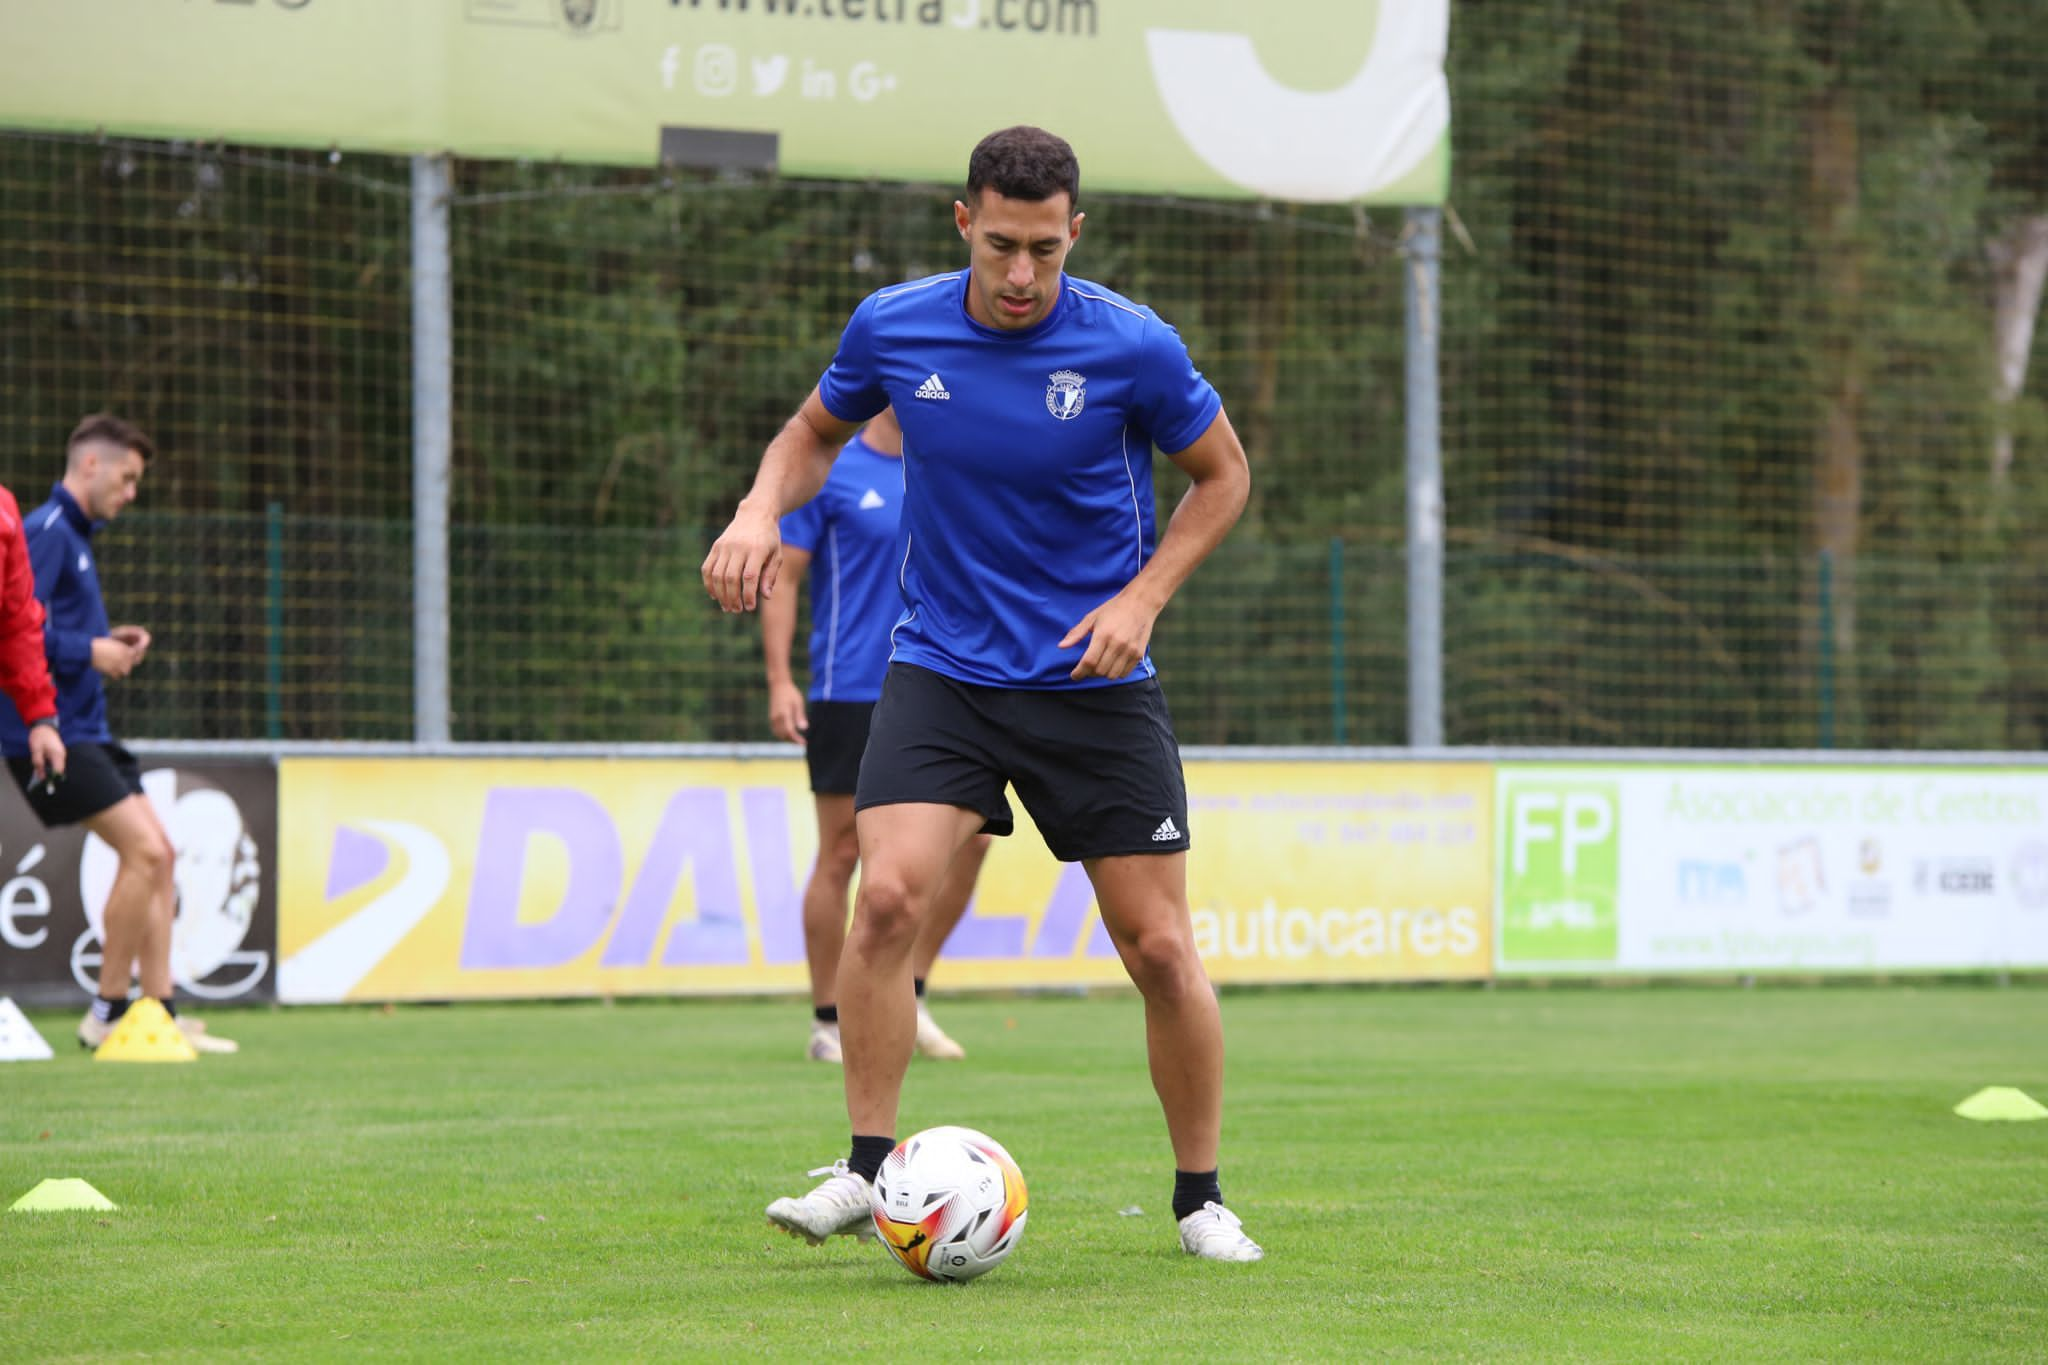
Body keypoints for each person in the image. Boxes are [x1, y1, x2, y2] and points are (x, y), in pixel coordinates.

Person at [704, 126, 1262, 1262]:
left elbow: (1223, 475)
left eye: (1045, 251)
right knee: (891, 898)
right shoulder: (893, 324)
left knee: (1156, 949)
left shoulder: (1131, 345)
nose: (1021, 275)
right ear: (963, 222)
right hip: (942, 668)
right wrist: (761, 508)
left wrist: (1144, 599)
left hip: (1092, 679)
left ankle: (1199, 1198)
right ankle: (864, 1173)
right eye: (1002, 245)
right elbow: (811, 433)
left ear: (1075, 235)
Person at [0, 414, 236, 1054]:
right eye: (128, 478)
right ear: (91, 465)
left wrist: (104, 643)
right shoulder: (44, 530)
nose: (132, 493)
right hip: (50, 734)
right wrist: (90, 651)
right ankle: (107, 1010)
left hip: (85, 729)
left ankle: (157, 1012)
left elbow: (50, 631)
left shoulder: (75, 536)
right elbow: (16, 626)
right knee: (149, 853)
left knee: (160, 852)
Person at [762, 405, 986, 1065]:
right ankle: (830, 1018)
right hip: (851, 686)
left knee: (969, 843)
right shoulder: (834, 468)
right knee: (842, 854)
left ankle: (906, 994)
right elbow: (786, 577)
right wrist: (780, 679)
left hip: (945, 687)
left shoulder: (952, 465)